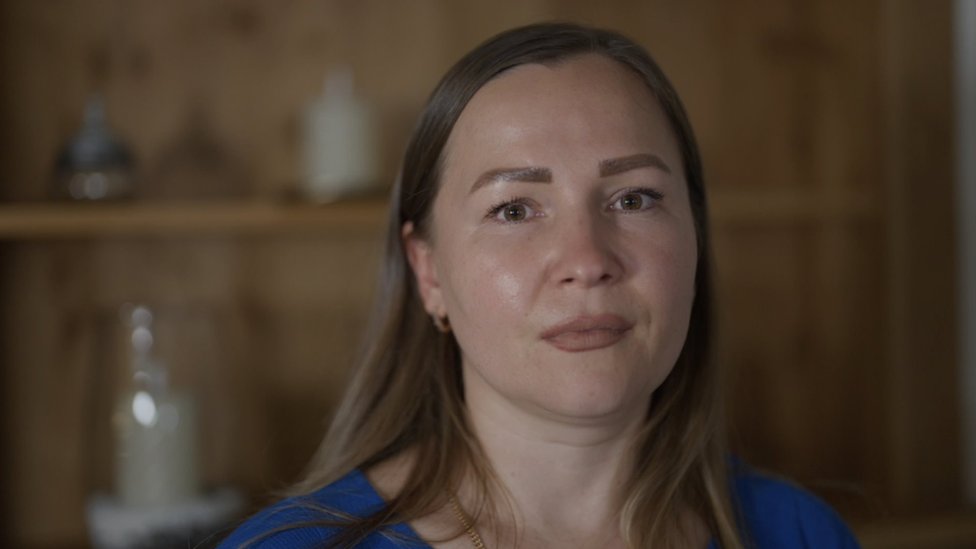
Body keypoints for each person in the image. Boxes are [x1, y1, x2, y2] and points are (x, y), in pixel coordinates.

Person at [218, 22, 860, 548]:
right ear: (429, 272)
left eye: (634, 198)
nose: (586, 259)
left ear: (695, 239)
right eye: (515, 210)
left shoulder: (800, 535)